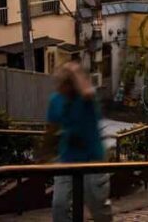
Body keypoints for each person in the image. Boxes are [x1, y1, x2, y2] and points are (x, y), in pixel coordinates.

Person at [46, 62, 110, 222]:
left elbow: (87, 91)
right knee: (59, 206)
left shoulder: (86, 97)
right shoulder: (56, 100)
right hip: (67, 158)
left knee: (98, 207)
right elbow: (51, 129)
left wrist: (73, 70)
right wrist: (43, 152)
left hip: (93, 158)